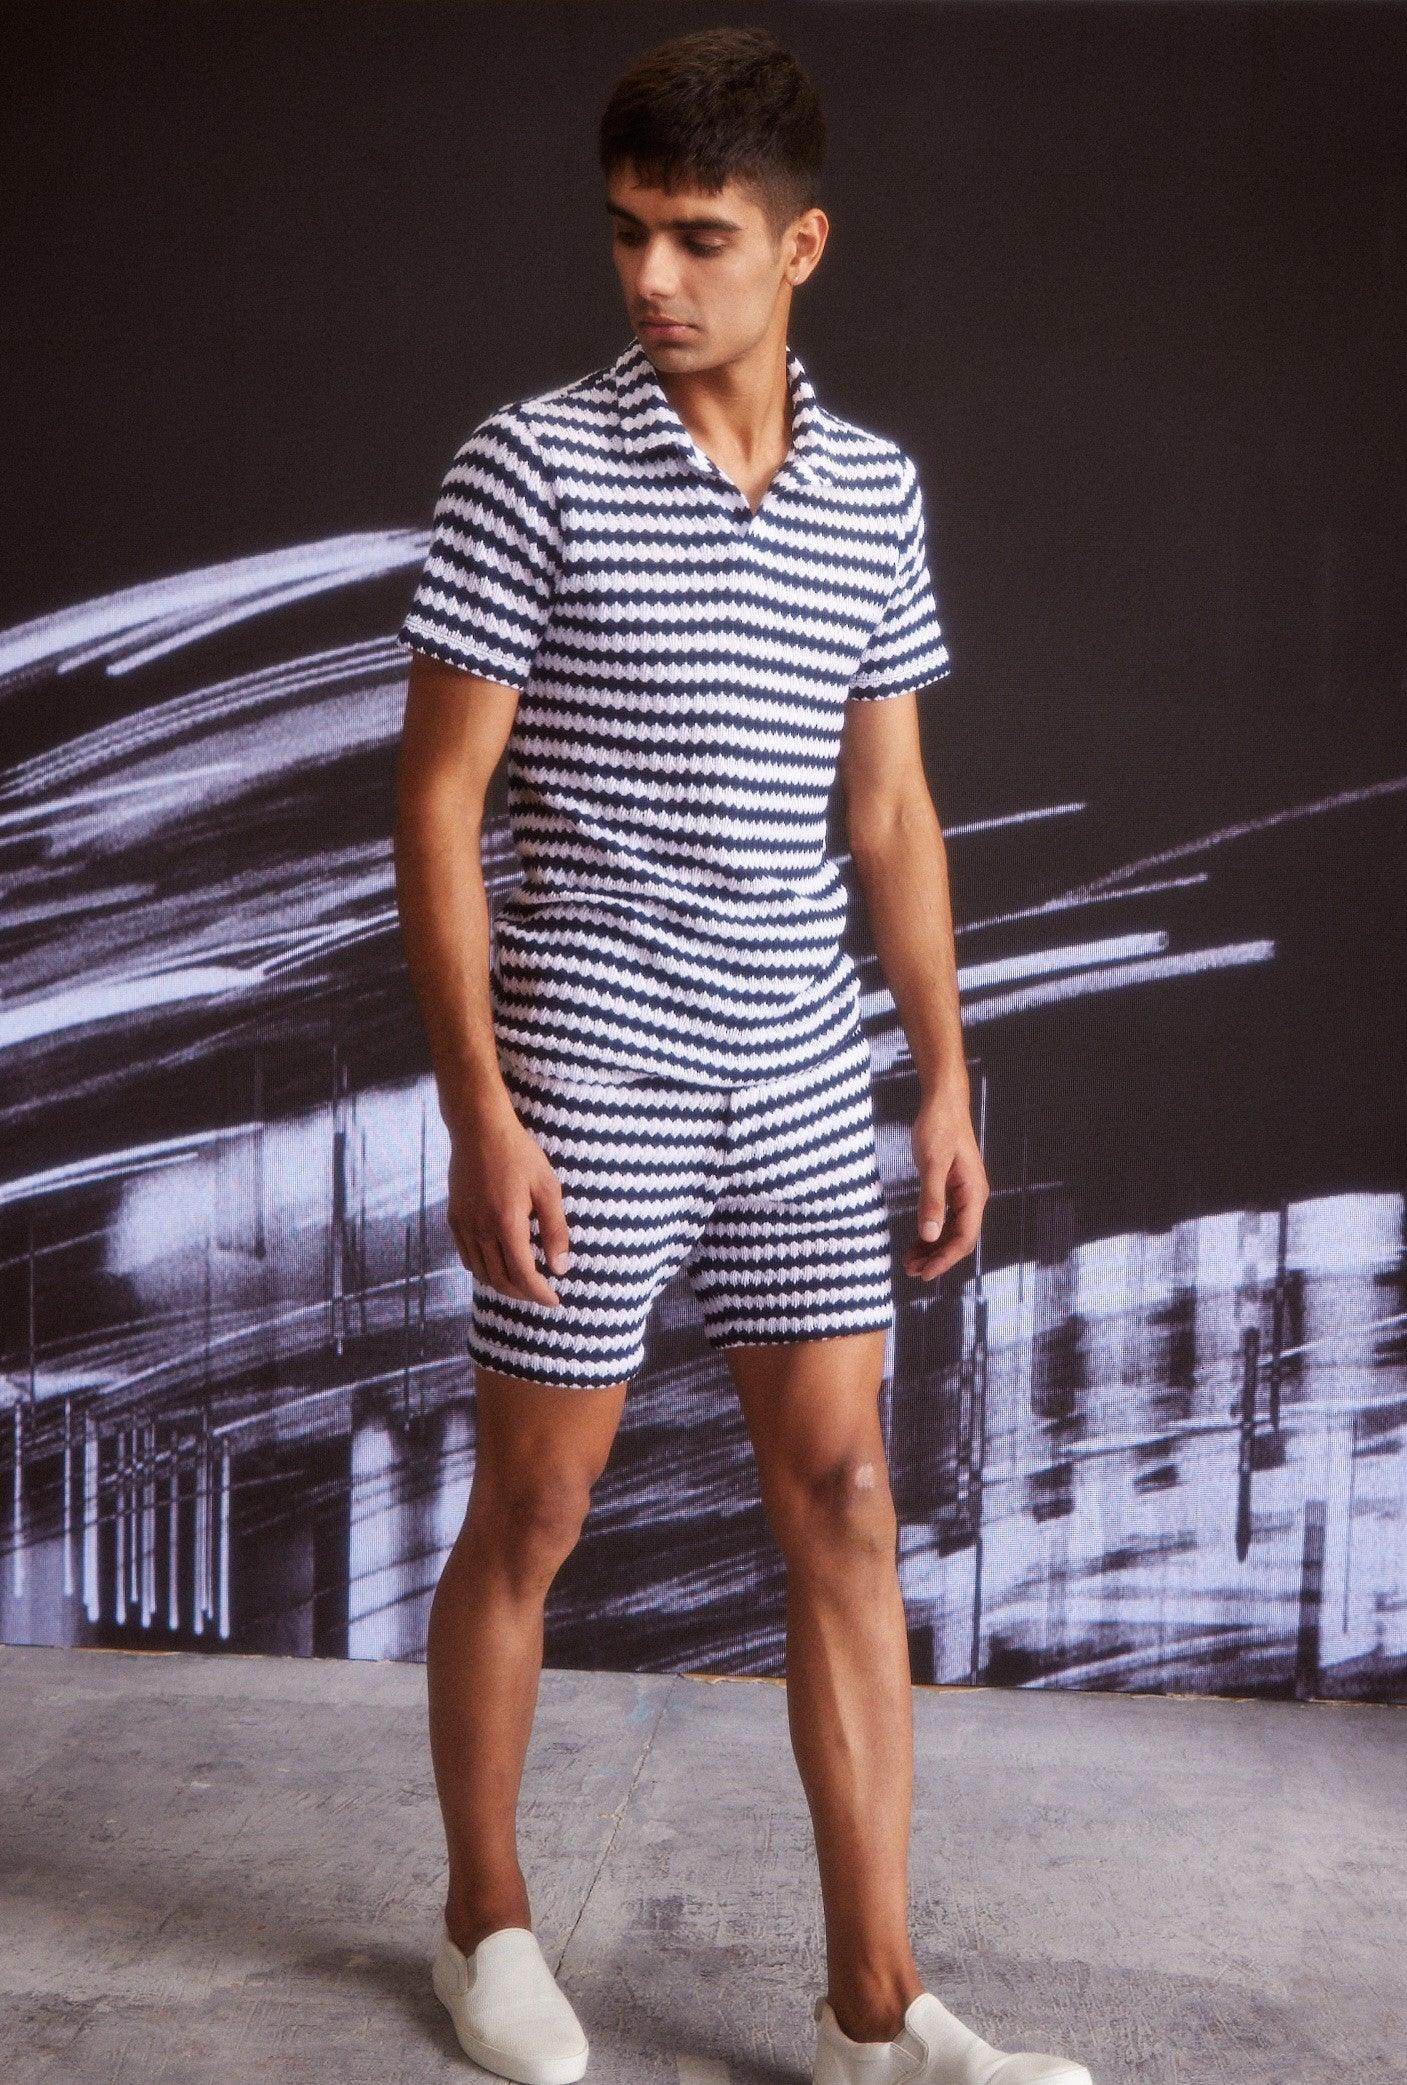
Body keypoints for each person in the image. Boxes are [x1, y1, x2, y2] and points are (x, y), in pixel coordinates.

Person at [393, 26, 1093, 2085]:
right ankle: (481, 1919)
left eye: (698, 237)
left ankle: (878, 2007)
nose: (650, 276)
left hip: (794, 1060)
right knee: (536, 1505)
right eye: (627, 232)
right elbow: (435, 803)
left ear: (800, 246)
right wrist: (480, 1107)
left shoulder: (873, 490)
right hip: (591, 1054)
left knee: (849, 1497)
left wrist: (942, 1070)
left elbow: (889, 808)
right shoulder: (527, 466)